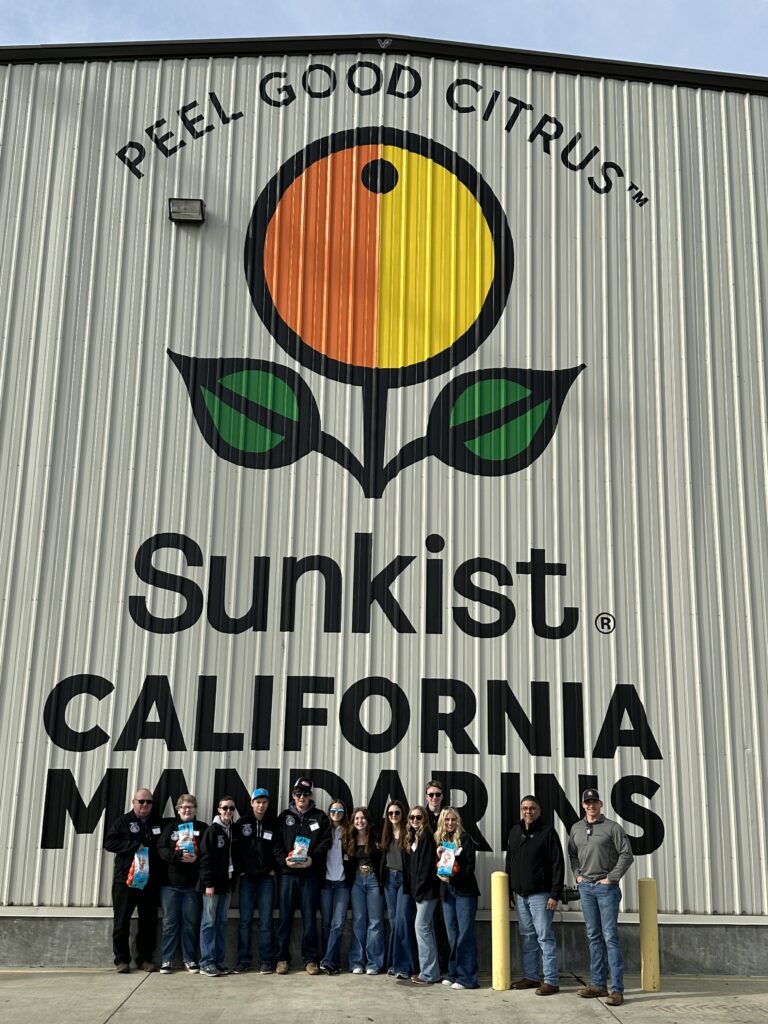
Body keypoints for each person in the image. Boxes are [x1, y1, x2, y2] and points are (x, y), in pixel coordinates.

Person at [567, 788, 634, 1007]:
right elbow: (573, 854)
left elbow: (627, 854)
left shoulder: (612, 828)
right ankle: (597, 984)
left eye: (594, 802)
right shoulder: (576, 828)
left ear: (600, 804)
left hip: (606, 890)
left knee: (610, 938)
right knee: (593, 936)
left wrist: (612, 878)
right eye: (587, 802)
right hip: (586, 889)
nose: (591, 806)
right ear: (583, 805)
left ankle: (616, 989)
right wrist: (577, 875)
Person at [505, 794, 564, 995]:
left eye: (532, 808)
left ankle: (551, 980)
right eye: (524, 808)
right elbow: (509, 863)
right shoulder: (514, 832)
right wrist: (509, 892)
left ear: (539, 811)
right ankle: (531, 976)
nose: (528, 811)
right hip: (520, 895)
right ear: (520, 811)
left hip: (541, 895)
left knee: (544, 937)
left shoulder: (548, 833)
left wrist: (555, 894)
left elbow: (558, 865)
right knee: (528, 937)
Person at [274, 777, 331, 976]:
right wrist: (284, 861)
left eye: (305, 794)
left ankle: (311, 960)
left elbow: (326, 842)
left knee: (309, 918)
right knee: (285, 918)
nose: (301, 797)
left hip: (310, 876)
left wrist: (312, 859)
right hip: (288, 875)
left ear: (310, 796)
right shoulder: (283, 817)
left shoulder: (320, 817)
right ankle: (282, 958)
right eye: (298, 794)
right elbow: (276, 845)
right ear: (293, 795)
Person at [104, 787, 164, 973]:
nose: (145, 805)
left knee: (148, 921)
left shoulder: (157, 823)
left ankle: (145, 958)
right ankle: (121, 960)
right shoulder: (123, 821)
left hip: (149, 881)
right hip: (126, 880)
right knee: (122, 921)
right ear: (134, 802)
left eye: (149, 802)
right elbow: (109, 843)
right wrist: (133, 845)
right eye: (141, 801)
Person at [157, 793, 207, 974]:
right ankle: (167, 960)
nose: (187, 810)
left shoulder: (202, 828)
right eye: (183, 807)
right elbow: (161, 850)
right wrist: (177, 856)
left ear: (195, 810)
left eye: (190, 807)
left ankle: (190, 959)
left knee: (190, 923)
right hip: (170, 885)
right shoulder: (170, 828)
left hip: (192, 886)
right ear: (178, 810)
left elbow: (208, 853)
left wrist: (197, 857)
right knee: (170, 923)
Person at [234, 787, 278, 974]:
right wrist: (240, 871)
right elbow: (234, 850)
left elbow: (279, 848)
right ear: (252, 803)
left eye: (264, 802)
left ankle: (266, 960)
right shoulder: (242, 823)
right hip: (247, 880)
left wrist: (274, 869)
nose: (261, 805)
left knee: (266, 921)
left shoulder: (273, 823)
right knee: (245, 921)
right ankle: (243, 960)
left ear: (268, 804)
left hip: (266, 879)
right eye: (257, 801)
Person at [435, 806, 480, 990]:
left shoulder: (465, 839)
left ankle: (468, 978)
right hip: (448, 893)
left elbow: (470, 867)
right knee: (452, 934)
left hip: (465, 892)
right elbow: (440, 866)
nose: (450, 823)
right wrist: (440, 868)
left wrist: (454, 875)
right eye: (447, 820)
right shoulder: (442, 841)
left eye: (453, 820)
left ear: (458, 821)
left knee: (465, 935)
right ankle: (454, 973)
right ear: (442, 822)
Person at [198, 794, 238, 977]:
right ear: (218, 810)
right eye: (225, 808)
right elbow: (205, 858)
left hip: (226, 885)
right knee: (209, 923)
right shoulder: (212, 830)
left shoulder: (233, 830)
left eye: (231, 808)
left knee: (221, 923)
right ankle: (206, 962)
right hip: (212, 886)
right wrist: (208, 883)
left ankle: (219, 961)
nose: (228, 811)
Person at [403, 804, 440, 986]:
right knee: (427, 929)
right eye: (412, 818)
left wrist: (418, 892)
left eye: (418, 817)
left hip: (426, 893)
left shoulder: (426, 837)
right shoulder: (413, 838)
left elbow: (425, 869)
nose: (415, 820)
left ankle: (429, 974)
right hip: (419, 893)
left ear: (424, 819)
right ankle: (431, 971)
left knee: (422, 928)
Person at [345, 806, 385, 975]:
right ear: (353, 822)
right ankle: (357, 962)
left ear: (367, 820)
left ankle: (374, 963)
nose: (360, 821)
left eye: (362, 818)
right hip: (357, 883)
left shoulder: (376, 838)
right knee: (359, 921)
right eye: (356, 819)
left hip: (374, 881)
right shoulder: (350, 839)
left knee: (375, 922)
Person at [380, 798, 415, 980]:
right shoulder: (384, 833)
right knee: (394, 923)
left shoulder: (409, 833)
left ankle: (405, 966)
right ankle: (393, 964)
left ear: (403, 814)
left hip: (404, 881)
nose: (394, 816)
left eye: (397, 813)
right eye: (391, 813)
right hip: (389, 880)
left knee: (402, 922)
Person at [319, 798, 350, 975]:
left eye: (339, 811)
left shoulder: (349, 831)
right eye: (333, 811)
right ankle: (331, 961)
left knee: (337, 924)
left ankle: (329, 961)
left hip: (342, 884)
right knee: (325, 923)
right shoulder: (324, 831)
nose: (336, 814)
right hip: (325, 883)